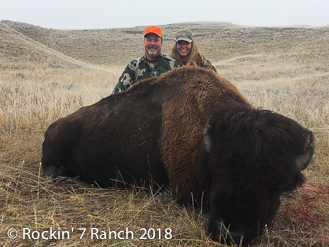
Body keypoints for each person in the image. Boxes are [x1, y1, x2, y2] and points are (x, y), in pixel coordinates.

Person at [112, 26, 180, 93]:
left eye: (156, 40)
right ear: (144, 42)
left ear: (161, 43)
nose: (152, 43)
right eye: (149, 40)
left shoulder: (173, 65)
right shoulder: (134, 66)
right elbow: (117, 93)